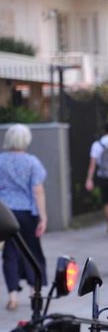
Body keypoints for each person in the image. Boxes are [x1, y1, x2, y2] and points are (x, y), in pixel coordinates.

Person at [0, 124, 48, 311]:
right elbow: (38, 190)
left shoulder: (1, 161)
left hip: (4, 213)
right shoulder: (32, 162)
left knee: (9, 254)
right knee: (32, 252)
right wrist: (43, 217)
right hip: (27, 213)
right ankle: (33, 292)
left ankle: (12, 296)